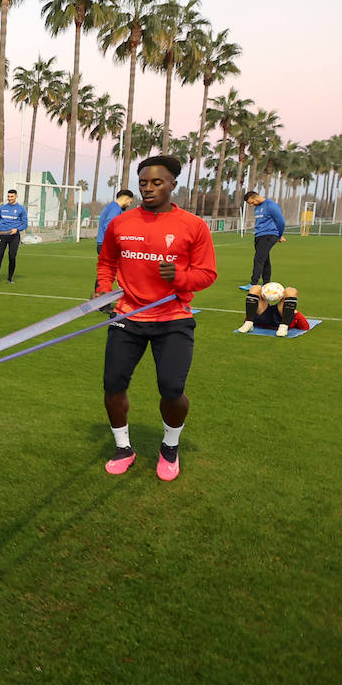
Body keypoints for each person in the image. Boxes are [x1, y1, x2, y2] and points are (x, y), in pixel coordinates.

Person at [96, 155, 217, 482]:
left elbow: (207, 274)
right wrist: (103, 289)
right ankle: (124, 448)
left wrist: (179, 276)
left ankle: (170, 446)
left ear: (173, 185)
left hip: (173, 319)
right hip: (128, 317)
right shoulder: (121, 222)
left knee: (172, 389)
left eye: (157, 183)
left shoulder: (194, 226)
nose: (148, 189)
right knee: (113, 385)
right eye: (144, 183)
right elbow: (106, 261)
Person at [244, 191, 285, 285]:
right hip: (259, 235)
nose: (251, 205)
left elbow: (281, 222)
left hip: (269, 235)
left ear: (256, 197)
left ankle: (253, 284)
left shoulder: (271, 205)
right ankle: (266, 283)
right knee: (265, 259)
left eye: (251, 202)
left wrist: (279, 235)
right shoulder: (256, 208)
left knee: (258, 259)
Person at [237, 283, 309, 337]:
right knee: (255, 288)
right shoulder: (292, 313)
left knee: (291, 290)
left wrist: (295, 313)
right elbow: (305, 327)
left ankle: (283, 327)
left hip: (282, 319)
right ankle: (248, 324)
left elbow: (305, 327)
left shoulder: (290, 315)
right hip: (264, 315)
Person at [0, 189, 27, 284]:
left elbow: (25, 224)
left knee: (12, 257)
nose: (10, 198)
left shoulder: (21, 209)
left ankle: (10, 278)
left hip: (14, 237)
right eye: (8, 196)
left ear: (16, 196)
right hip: (2, 235)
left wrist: (17, 229)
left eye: (12, 196)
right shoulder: (2, 208)